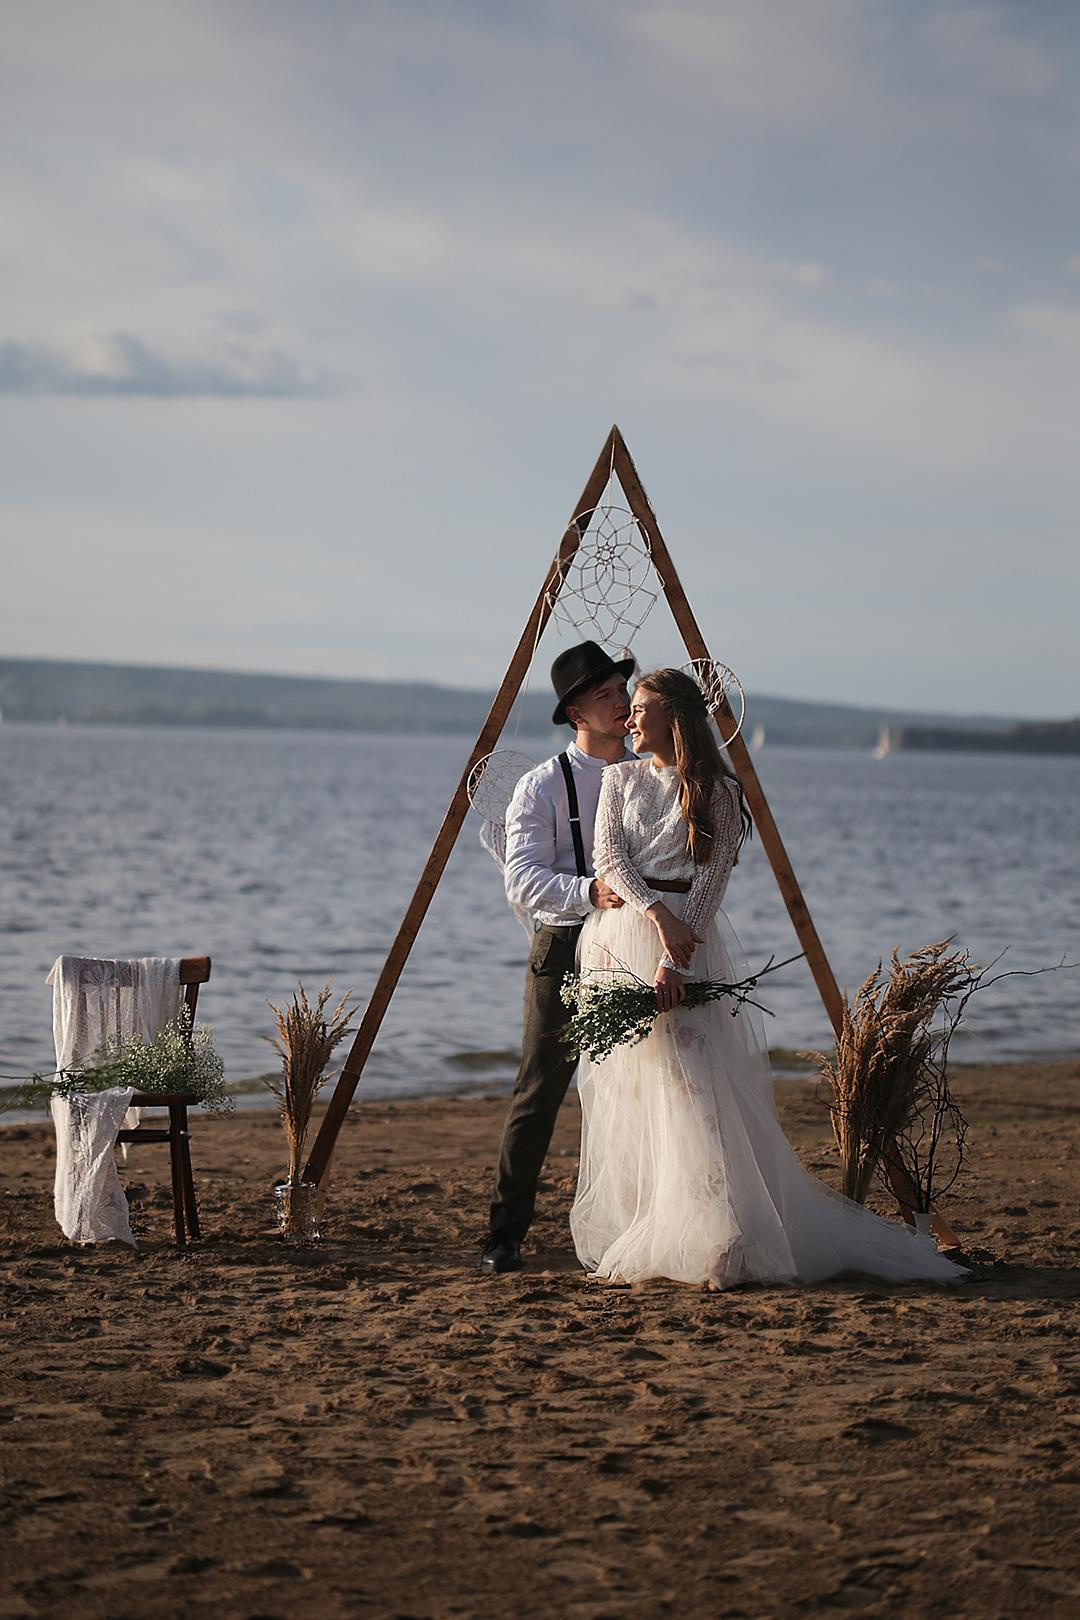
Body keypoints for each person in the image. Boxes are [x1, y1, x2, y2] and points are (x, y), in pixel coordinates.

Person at [569, 667, 968, 1288]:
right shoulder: (619, 778)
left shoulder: (719, 793)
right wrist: (655, 916)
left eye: (642, 706)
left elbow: (711, 879)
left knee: (697, 1086)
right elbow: (609, 859)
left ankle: (725, 1230)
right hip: (623, 940)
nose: (630, 717)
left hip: (688, 945)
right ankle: (670, 1223)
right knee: (645, 1092)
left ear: (675, 716)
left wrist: (677, 953)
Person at [480, 641, 635, 1275]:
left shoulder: (650, 774)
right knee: (540, 1092)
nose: (622, 701)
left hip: (635, 947)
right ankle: (504, 1233)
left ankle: (642, 1224)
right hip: (565, 949)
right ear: (576, 712)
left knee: (642, 1086)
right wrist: (589, 891)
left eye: (622, 690)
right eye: (605, 695)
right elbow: (521, 879)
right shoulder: (541, 785)